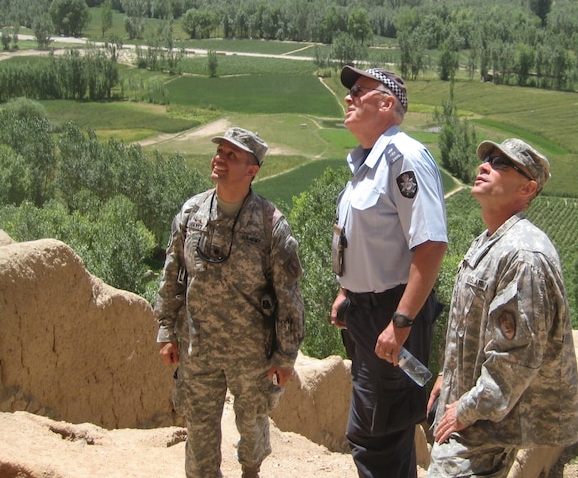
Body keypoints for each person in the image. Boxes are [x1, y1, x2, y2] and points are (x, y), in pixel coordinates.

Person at [426, 138, 578, 478]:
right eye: (487, 159)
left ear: (527, 188)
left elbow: (516, 359)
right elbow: (468, 327)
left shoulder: (524, 255)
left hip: (488, 425)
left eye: (500, 163)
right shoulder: (489, 242)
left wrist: (465, 410)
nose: (485, 165)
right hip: (476, 413)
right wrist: (445, 376)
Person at [155, 127, 305, 478]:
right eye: (219, 151)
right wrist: (166, 327)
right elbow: (173, 273)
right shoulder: (192, 213)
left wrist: (285, 356)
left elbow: (289, 296)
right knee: (199, 434)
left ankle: (250, 472)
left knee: (252, 430)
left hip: (251, 354)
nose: (219, 159)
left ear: (252, 170)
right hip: (198, 349)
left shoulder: (271, 225)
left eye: (231, 155)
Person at [329, 66, 448, 478]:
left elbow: (431, 245)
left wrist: (400, 323)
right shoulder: (366, 162)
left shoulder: (403, 157)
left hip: (393, 315)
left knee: (379, 433)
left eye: (358, 91)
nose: (348, 98)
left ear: (386, 103)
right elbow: (365, 238)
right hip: (368, 315)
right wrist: (347, 291)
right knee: (378, 431)